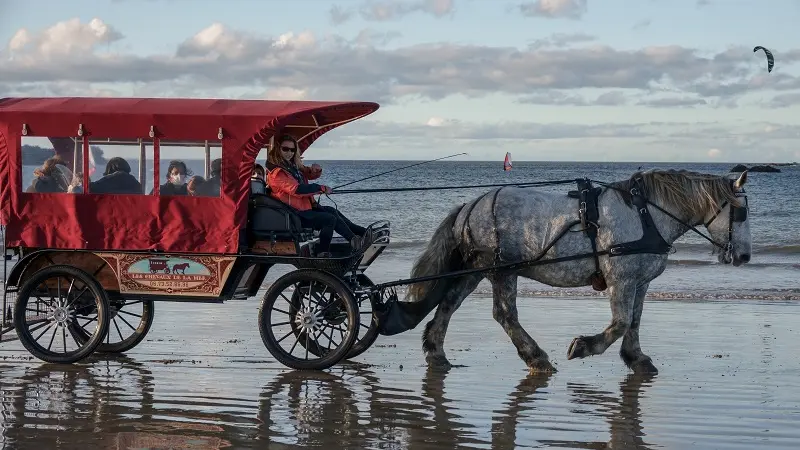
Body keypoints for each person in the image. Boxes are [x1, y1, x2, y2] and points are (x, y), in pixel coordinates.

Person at [266, 134, 372, 257]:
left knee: (332, 211)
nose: (289, 152)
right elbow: (297, 189)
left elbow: (308, 173)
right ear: (278, 149)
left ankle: (362, 234)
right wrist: (321, 188)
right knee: (329, 219)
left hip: (304, 209)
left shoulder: (292, 167)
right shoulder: (277, 173)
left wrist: (315, 170)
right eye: (285, 149)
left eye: (292, 150)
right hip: (293, 214)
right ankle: (323, 252)